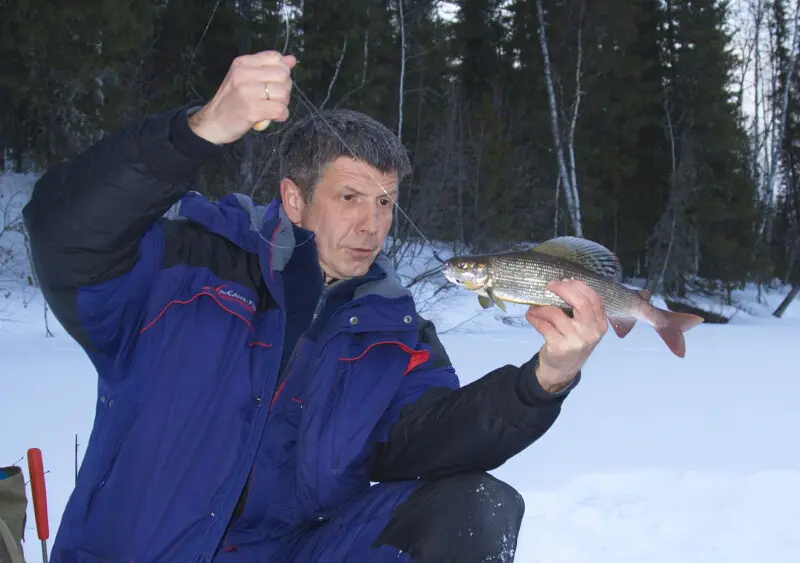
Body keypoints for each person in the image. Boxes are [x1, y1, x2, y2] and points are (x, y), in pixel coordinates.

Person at [22, 51, 607, 562]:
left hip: (289, 550)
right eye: (350, 197)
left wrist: (546, 380)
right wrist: (195, 132)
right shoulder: (185, 265)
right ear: (294, 199)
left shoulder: (394, 331)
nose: (373, 225)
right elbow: (63, 233)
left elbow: (432, 437)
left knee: (475, 505)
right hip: (139, 551)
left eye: (385, 202)